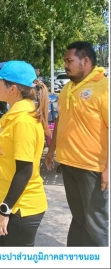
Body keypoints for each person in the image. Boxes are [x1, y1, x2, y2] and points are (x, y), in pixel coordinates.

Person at [44, 41, 109, 247]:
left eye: (69, 61)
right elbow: (61, 121)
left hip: (92, 167)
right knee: (79, 218)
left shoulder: (103, 88)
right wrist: (51, 151)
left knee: (96, 223)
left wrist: (108, 168)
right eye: (65, 61)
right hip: (69, 164)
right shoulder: (67, 89)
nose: (65, 65)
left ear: (86, 61)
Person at [0, 60, 50, 247]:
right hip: (14, 204)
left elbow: (24, 170)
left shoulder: (23, 121)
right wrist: (3, 200)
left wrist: (5, 209)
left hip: (22, 208)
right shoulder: (13, 116)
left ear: (12, 89)